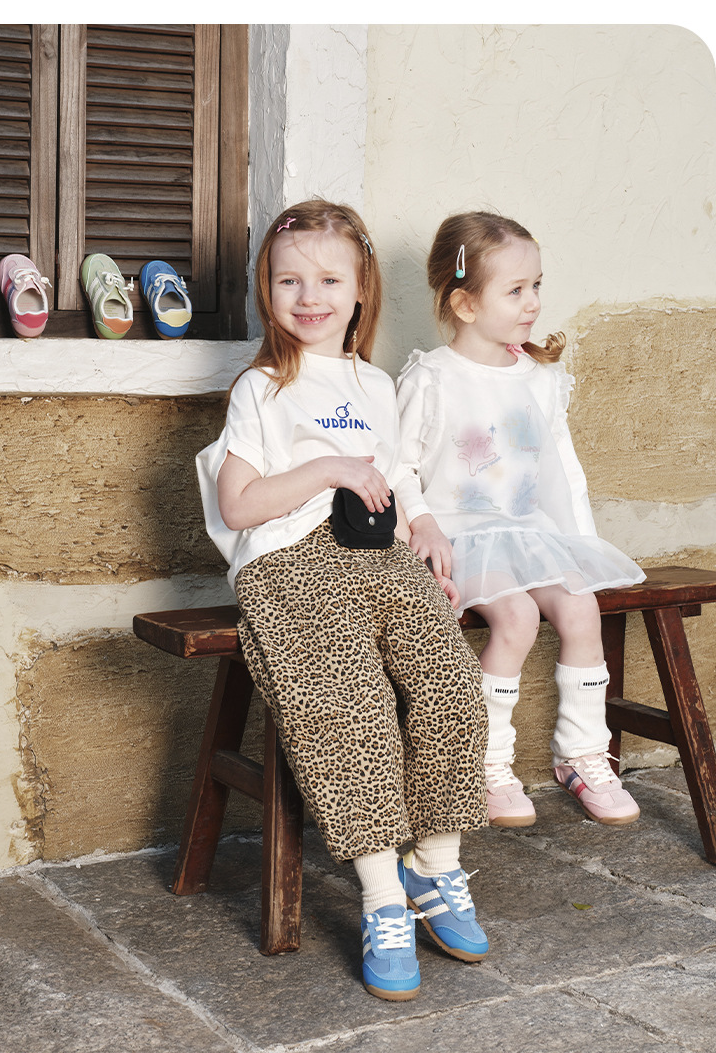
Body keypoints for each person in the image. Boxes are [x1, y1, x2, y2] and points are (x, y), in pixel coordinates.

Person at [197, 200, 489, 1002]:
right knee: (348, 704)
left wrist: (423, 525)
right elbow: (239, 506)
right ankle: (383, 897)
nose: (309, 296)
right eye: (289, 280)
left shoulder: (374, 384)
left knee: (450, 683)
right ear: (268, 291)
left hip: (379, 555)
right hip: (290, 562)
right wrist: (327, 469)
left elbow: (394, 476)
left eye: (329, 279)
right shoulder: (261, 388)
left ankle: (434, 866)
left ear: (361, 289)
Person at [396, 211, 645, 831]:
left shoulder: (540, 379)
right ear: (465, 303)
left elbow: (562, 470)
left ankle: (582, 754)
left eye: (536, 285)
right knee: (517, 617)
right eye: (515, 290)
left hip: (530, 533)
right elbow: (396, 467)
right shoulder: (432, 378)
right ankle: (487, 764)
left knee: (581, 609)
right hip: (458, 536)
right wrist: (421, 525)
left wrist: (579, 547)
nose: (533, 302)